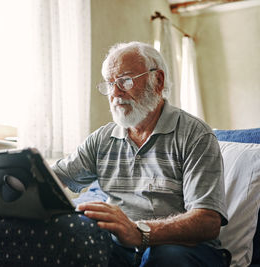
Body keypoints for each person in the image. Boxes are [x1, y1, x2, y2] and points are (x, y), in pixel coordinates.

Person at [52, 41, 230, 266]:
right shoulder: (103, 138)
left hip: (185, 249)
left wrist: (140, 232)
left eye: (125, 81)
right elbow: (54, 178)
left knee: (163, 256)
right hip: (122, 247)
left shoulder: (195, 135)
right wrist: (14, 175)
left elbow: (208, 221)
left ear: (158, 81)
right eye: (109, 83)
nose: (115, 93)